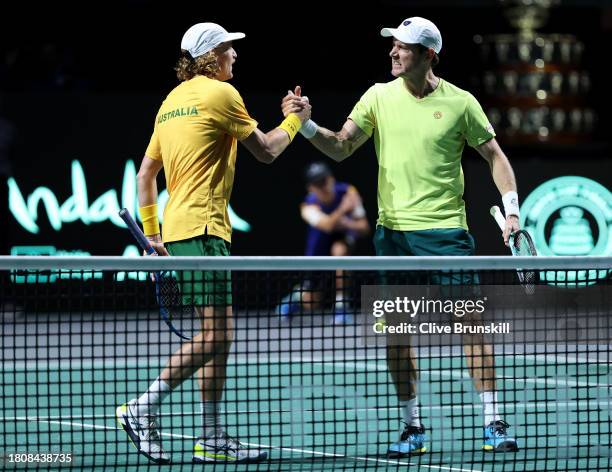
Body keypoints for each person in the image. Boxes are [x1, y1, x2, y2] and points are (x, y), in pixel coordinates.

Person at [282, 17, 520, 455]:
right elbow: (341, 145)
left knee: (472, 326)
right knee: (397, 333)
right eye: (392, 45)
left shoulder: (461, 103)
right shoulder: (377, 96)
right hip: (392, 236)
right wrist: (308, 126)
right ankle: (412, 427)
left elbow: (495, 156)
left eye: (403, 47)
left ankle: (494, 422)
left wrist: (512, 212)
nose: (393, 52)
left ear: (429, 54)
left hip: (447, 233)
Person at [116, 22, 310, 465]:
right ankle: (141, 409)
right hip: (203, 229)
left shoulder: (171, 101)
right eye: (228, 49)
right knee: (219, 333)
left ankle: (211, 435)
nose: (235, 56)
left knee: (217, 335)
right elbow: (266, 150)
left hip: (182, 229)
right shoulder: (221, 95)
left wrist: (152, 236)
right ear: (211, 56)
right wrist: (297, 119)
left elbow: (147, 175)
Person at [278, 161, 370, 324]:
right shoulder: (307, 207)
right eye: (318, 184)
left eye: (325, 180)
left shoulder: (349, 192)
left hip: (341, 241)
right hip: (317, 250)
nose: (324, 186)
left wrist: (346, 224)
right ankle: (296, 297)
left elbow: (364, 227)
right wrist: (343, 209)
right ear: (310, 188)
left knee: (339, 252)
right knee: (311, 302)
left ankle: (341, 305)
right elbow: (327, 226)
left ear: (332, 178)